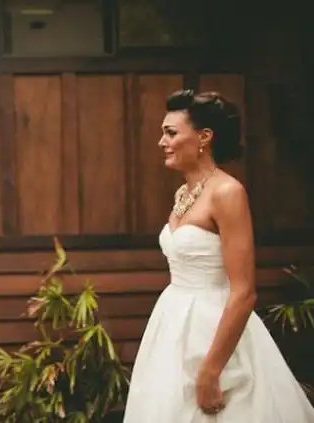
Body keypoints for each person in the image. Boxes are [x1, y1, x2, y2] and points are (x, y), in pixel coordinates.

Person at [122, 89, 314, 422]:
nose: (161, 142)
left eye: (171, 133)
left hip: (213, 326)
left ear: (204, 137)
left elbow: (244, 292)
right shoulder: (183, 193)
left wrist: (211, 370)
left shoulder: (227, 192)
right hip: (172, 323)